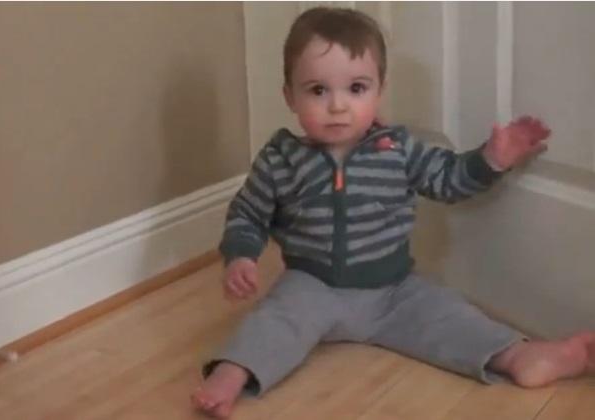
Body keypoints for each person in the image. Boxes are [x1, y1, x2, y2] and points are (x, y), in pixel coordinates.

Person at [191, 7, 595, 419]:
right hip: (311, 287)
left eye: (356, 88)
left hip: (393, 291)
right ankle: (233, 373)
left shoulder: (398, 149)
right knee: (274, 320)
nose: (338, 105)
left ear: (379, 91)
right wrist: (241, 255)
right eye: (317, 90)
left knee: (449, 316)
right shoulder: (281, 158)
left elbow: (447, 179)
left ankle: (517, 356)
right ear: (289, 96)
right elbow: (248, 212)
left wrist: (491, 159)